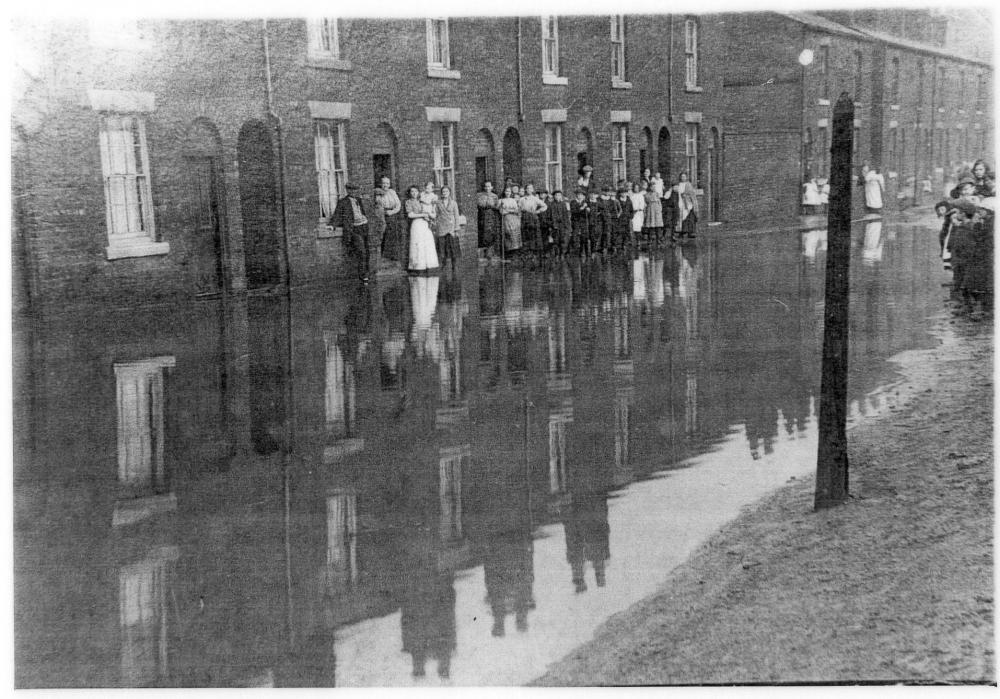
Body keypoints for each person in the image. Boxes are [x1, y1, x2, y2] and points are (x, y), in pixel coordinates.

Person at [332, 182, 371, 282]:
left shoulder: (359, 200)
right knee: (361, 250)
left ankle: (367, 272)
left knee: (367, 250)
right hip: (354, 229)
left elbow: (364, 212)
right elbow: (337, 215)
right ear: (347, 190)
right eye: (351, 190)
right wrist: (333, 226)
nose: (353, 192)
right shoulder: (343, 202)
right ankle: (363, 276)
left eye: (355, 190)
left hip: (364, 227)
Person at [405, 185, 440, 275]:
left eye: (416, 191)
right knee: (418, 244)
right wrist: (422, 215)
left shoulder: (422, 201)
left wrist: (429, 215)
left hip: (425, 224)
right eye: (412, 191)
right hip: (416, 224)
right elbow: (410, 215)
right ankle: (418, 267)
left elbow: (431, 211)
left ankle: (428, 265)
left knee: (427, 243)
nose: (414, 193)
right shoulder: (408, 202)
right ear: (410, 193)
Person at [435, 185, 461, 272]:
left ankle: (454, 266)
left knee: (453, 248)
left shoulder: (453, 203)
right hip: (442, 227)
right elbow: (436, 214)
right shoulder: (438, 203)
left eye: (446, 192)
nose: (445, 193)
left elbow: (456, 216)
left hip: (451, 227)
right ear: (441, 194)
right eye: (443, 192)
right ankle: (443, 264)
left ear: (449, 193)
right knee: (442, 248)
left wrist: (456, 228)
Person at [378, 176, 404, 264]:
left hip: (392, 215)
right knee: (384, 234)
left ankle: (393, 256)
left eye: (387, 183)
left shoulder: (392, 192)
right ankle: (384, 256)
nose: (385, 185)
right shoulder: (378, 193)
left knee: (393, 234)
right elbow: (378, 205)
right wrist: (384, 212)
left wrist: (392, 212)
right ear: (381, 184)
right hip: (382, 216)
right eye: (384, 183)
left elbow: (398, 205)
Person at [518, 183, 547, 257]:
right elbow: (518, 209)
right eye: (527, 188)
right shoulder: (522, 199)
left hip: (532, 218)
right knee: (525, 234)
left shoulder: (535, 198)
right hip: (524, 217)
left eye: (530, 188)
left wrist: (537, 211)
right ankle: (527, 252)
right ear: (525, 190)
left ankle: (534, 252)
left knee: (533, 234)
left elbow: (544, 206)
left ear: (532, 190)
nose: (529, 190)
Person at [476, 181, 502, 261]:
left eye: (489, 186)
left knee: (491, 233)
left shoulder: (494, 196)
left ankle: (489, 254)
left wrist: (495, 206)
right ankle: (482, 254)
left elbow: (496, 206)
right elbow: (479, 204)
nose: (487, 188)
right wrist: (485, 205)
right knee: (482, 233)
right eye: (486, 186)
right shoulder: (479, 195)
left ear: (492, 187)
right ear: (484, 187)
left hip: (491, 216)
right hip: (482, 216)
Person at [672, 172, 699, 240]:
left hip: (687, 202)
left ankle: (689, 231)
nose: (683, 178)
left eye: (684, 177)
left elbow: (692, 195)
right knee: (680, 216)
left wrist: (692, 202)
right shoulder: (678, 184)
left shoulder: (688, 185)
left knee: (688, 216)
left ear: (686, 177)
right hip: (680, 201)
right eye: (682, 176)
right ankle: (680, 231)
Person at [498, 185, 522, 257]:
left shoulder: (513, 200)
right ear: (504, 192)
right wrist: (509, 211)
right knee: (507, 233)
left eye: (509, 191)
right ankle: (508, 251)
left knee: (515, 233)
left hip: (514, 219)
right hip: (506, 219)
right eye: (506, 191)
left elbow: (516, 210)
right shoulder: (501, 200)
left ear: (511, 192)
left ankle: (515, 250)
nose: (507, 193)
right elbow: (501, 211)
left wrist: (507, 210)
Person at [549, 190, 573, 258]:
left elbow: (566, 215)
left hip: (562, 224)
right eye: (556, 195)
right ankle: (557, 254)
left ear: (561, 196)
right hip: (555, 225)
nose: (557, 197)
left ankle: (562, 253)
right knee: (556, 240)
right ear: (554, 196)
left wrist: (568, 226)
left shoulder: (563, 204)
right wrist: (552, 225)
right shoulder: (551, 205)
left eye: (559, 195)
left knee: (563, 239)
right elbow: (551, 216)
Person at [643, 178, 664, 245]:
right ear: (649, 187)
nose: (653, 188)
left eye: (654, 186)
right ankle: (650, 239)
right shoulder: (646, 195)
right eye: (652, 186)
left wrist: (660, 210)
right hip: (650, 210)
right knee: (650, 225)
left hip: (657, 211)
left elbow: (659, 203)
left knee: (658, 226)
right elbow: (646, 203)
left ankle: (659, 239)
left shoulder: (657, 194)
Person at [570, 189, 590, 256]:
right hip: (576, 221)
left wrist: (587, 210)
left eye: (581, 195)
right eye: (578, 195)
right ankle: (576, 251)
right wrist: (582, 207)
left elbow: (588, 213)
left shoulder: (585, 202)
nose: (580, 196)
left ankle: (584, 251)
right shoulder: (573, 202)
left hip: (583, 221)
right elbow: (574, 211)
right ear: (576, 195)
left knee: (584, 236)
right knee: (575, 236)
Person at [628, 181, 646, 247]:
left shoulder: (640, 195)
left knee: (638, 227)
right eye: (635, 188)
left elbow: (642, 205)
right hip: (632, 212)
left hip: (638, 213)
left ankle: (638, 241)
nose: (636, 189)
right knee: (632, 227)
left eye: (637, 188)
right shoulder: (631, 195)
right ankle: (632, 241)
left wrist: (638, 209)